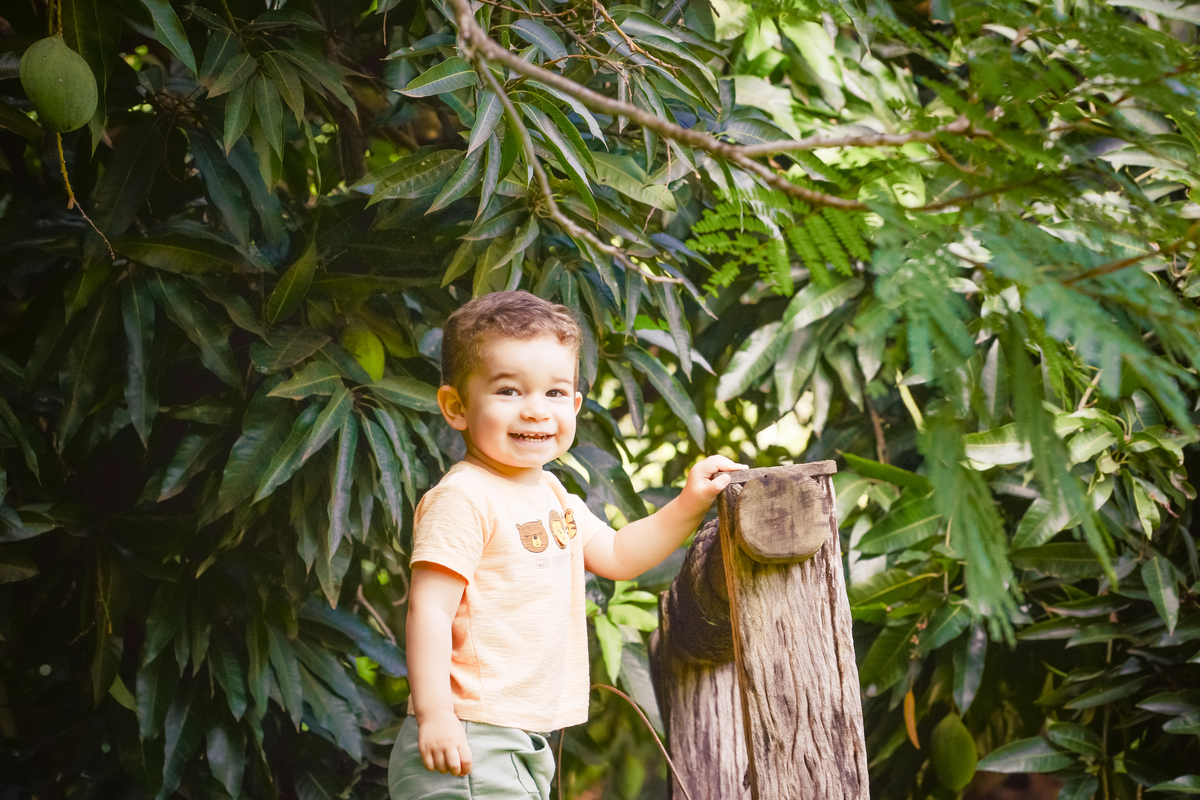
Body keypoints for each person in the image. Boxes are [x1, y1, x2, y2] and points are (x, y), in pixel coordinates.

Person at [390, 290, 745, 799]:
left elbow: (620, 554)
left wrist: (689, 502)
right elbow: (429, 612)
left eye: (555, 393)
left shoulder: (553, 494)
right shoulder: (464, 498)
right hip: (471, 736)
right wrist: (435, 714)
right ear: (456, 406)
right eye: (509, 391)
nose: (536, 411)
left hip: (516, 739)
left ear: (575, 404)